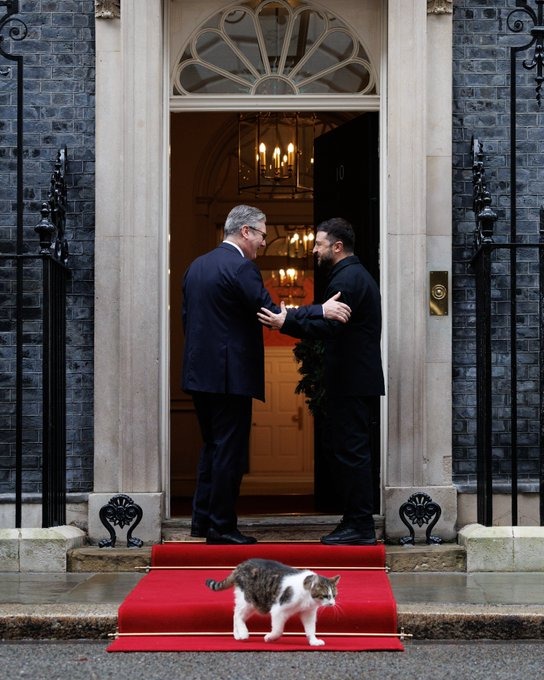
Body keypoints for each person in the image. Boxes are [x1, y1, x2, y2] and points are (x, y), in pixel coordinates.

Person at [182, 205, 352, 545]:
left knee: (212, 447)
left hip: (199, 374)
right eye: (261, 234)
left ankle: (202, 521)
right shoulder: (241, 267)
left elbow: (189, 320)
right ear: (245, 231)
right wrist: (321, 310)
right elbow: (271, 313)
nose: (263, 242)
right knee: (229, 452)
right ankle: (222, 528)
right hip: (230, 377)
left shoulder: (196, 266)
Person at [258, 217, 385, 545]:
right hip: (356, 379)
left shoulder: (347, 279)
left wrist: (286, 321)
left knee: (351, 452)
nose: (314, 249)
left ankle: (360, 526)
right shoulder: (354, 275)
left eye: (319, 244)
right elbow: (327, 318)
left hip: (351, 380)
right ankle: (355, 520)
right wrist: (296, 317)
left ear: (337, 247)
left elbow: (329, 326)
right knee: (349, 450)